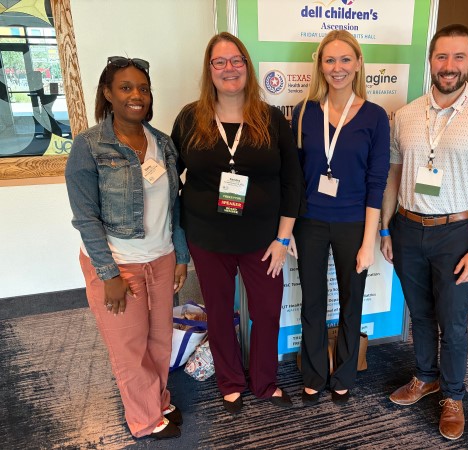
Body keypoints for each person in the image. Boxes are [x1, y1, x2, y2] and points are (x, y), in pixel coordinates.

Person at [380, 24, 468, 440]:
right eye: (442, 57)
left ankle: (453, 395)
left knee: (453, 322)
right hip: (407, 227)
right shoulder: (405, 115)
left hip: (457, 233)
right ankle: (425, 377)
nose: (449, 66)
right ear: (431, 60)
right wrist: (387, 229)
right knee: (418, 313)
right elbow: (393, 176)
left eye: (459, 57)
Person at [171, 32, 305, 414]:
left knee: (265, 311)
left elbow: (292, 180)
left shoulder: (270, 119)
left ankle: (264, 381)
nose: (229, 69)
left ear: (247, 66)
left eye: (237, 61)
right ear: (209, 69)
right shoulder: (190, 118)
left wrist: (283, 238)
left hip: (264, 239)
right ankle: (230, 381)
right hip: (206, 235)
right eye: (220, 62)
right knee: (218, 309)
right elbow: (170, 175)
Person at [65, 57, 189, 440]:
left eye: (143, 88)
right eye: (126, 88)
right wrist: (109, 275)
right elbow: (86, 218)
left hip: (162, 257)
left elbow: (175, 206)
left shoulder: (163, 143)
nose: (137, 96)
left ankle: (157, 398)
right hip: (119, 266)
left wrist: (180, 257)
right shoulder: (89, 146)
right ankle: (145, 420)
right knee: (129, 348)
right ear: (108, 93)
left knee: (159, 339)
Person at [292, 30, 390, 405]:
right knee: (313, 301)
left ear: (358, 63)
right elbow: (296, 177)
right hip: (311, 222)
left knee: (352, 300)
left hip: (354, 224)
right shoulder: (303, 112)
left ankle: (345, 372)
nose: (337, 68)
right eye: (330, 60)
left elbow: (376, 183)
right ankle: (314, 373)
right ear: (320, 65)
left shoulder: (376, 117)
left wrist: (369, 241)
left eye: (345, 59)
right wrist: (292, 231)